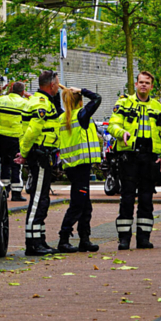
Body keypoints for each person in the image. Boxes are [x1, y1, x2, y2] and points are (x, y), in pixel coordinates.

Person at [109, 71, 161, 250]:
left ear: (152, 86)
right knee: (127, 197)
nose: (144, 85)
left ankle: (144, 238)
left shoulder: (158, 107)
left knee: (146, 198)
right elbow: (113, 125)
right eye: (141, 82)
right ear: (136, 84)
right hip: (129, 156)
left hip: (150, 158)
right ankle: (124, 239)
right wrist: (121, 133)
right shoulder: (124, 103)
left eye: (147, 83)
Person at [16, 70, 62, 256]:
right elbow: (33, 131)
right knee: (38, 200)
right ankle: (34, 243)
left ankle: (39, 240)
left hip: (42, 154)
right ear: (51, 85)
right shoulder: (41, 103)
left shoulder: (42, 101)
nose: (58, 86)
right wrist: (25, 153)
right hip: (41, 154)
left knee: (42, 199)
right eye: (57, 83)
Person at [56, 86, 103, 253]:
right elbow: (97, 98)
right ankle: (63, 238)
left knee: (85, 204)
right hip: (81, 165)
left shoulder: (62, 117)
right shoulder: (81, 115)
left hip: (71, 166)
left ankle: (85, 239)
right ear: (80, 101)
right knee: (78, 204)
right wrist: (82, 90)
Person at [0, 82, 28, 203]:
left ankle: (5, 191)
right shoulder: (25, 103)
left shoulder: (0, 100)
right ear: (22, 92)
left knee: (4, 163)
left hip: (2, 136)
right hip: (17, 137)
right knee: (16, 164)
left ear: (11, 89)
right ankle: (16, 193)